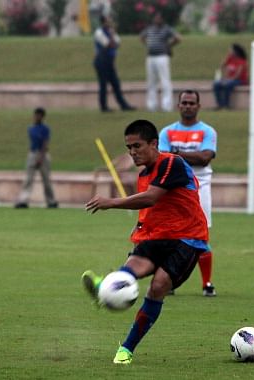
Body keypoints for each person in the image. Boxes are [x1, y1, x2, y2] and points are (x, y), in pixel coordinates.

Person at [82, 119, 209, 365]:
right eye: (129, 147)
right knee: (130, 272)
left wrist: (112, 202)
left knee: (158, 286)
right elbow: (155, 206)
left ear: (154, 143)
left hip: (187, 238)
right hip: (157, 235)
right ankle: (105, 287)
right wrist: (141, 224)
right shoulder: (145, 174)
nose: (132, 152)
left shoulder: (172, 162)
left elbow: (151, 198)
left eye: (137, 146)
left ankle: (127, 348)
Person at [159, 90, 218, 296]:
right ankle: (170, 281)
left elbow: (205, 159)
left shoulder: (207, 131)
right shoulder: (167, 132)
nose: (187, 106)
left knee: (201, 236)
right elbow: (164, 159)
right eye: (184, 102)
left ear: (198, 106)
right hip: (175, 188)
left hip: (200, 185)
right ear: (178, 105)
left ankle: (207, 283)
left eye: (192, 103)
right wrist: (186, 156)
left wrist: (176, 153)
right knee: (172, 234)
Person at [14, 107, 58, 209]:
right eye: (35, 115)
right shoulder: (31, 128)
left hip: (43, 155)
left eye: (39, 115)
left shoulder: (45, 129)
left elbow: (45, 143)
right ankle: (23, 200)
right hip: (32, 154)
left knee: (46, 180)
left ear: (42, 117)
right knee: (28, 179)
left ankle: (51, 201)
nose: (36, 117)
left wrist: (41, 157)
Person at [140, 12, 181, 112]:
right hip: (151, 57)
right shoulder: (150, 28)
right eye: (156, 18)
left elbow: (178, 38)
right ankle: (151, 106)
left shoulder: (166, 29)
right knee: (151, 82)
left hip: (162, 56)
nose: (157, 20)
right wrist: (148, 45)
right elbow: (142, 37)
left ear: (162, 19)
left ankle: (166, 106)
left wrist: (169, 45)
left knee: (165, 81)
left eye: (159, 18)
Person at [93, 15, 135, 112]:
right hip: (101, 61)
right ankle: (103, 107)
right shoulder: (99, 32)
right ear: (103, 22)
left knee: (116, 84)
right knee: (103, 84)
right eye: (108, 21)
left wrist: (112, 37)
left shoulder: (110, 32)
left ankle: (123, 105)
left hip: (109, 62)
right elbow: (109, 44)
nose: (110, 22)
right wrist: (112, 36)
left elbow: (117, 44)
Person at [212, 43, 248, 110]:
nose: (229, 50)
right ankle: (219, 105)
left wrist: (227, 80)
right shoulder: (230, 58)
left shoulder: (242, 61)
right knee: (216, 84)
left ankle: (226, 105)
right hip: (230, 79)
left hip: (240, 80)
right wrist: (226, 59)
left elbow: (238, 75)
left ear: (235, 51)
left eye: (231, 49)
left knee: (227, 85)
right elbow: (222, 66)